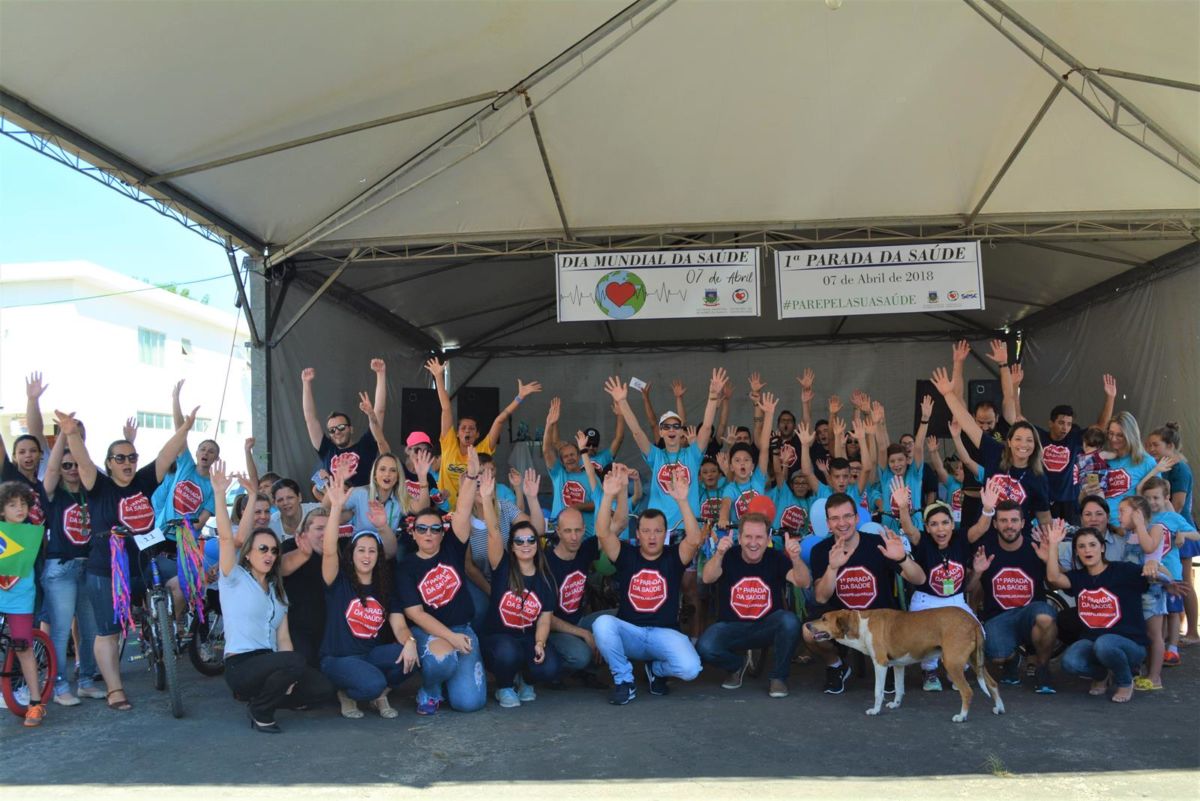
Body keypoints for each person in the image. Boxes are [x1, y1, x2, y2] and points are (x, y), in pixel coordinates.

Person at [56, 408, 194, 713]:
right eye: (120, 458)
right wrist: (71, 432)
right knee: (109, 631)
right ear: (109, 463)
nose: (128, 462)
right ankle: (115, 689)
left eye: (131, 457)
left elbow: (165, 454)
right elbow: (82, 460)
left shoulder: (143, 482)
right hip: (106, 571)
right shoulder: (99, 485)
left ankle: (162, 629)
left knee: (184, 579)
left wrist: (185, 427)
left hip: (145, 563)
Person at [211, 462, 332, 732]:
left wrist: (292, 674)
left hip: (271, 662)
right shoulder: (234, 578)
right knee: (295, 660)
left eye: (274, 551)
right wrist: (220, 495)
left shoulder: (278, 592)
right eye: (262, 549)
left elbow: (284, 639)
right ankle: (261, 709)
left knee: (323, 689)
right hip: (241, 665)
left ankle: (267, 696)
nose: (269, 555)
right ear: (250, 553)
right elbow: (226, 541)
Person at [593, 465, 706, 704]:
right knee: (602, 624)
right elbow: (603, 533)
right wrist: (608, 496)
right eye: (646, 531)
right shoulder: (627, 554)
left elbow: (694, 539)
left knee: (690, 669)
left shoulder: (673, 557)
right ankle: (624, 680)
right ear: (639, 533)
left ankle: (656, 671)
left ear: (665, 533)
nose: (652, 536)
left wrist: (683, 501)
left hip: (664, 634)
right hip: (631, 632)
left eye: (657, 531)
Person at [801, 493, 926, 694]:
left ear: (857, 518)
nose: (842, 523)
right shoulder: (820, 550)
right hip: (842, 620)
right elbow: (821, 597)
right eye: (835, 518)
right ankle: (836, 665)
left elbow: (919, 579)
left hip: (881, 621)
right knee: (808, 633)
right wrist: (832, 568)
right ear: (827, 523)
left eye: (847, 516)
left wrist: (902, 558)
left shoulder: (878, 543)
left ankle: (888, 664)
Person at [395, 452, 488, 715]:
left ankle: (453, 685)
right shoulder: (407, 567)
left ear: (442, 532)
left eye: (436, 529)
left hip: (463, 628)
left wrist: (470, 476)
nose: (429, 534)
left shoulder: (452, 549)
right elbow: (415, 614)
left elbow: (464, 510)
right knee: (442, 660)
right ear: (412, 534)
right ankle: (431, 689)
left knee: (469, 704)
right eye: (422, 529)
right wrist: (450, 637)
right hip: (432, 633)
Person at [318, 477, 417, 719]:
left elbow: (400, 625)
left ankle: (376, 690)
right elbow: (330, 548)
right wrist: (337, 507)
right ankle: (352, 691)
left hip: (368, 656)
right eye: (361, 550)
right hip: (337, 658)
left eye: (372, 551)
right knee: (372, 683)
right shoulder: (338, 581)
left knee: (413, 656)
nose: (367, 555)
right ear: (351, 555)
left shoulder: (384, 587)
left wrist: (410, 642)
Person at [1044, 522, 1171, 703]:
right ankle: (1102, 674)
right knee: (1070, 662)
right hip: (1094, 643)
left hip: (1130, 645)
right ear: (1077, 552)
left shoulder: (1123, 570)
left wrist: (1153, 564)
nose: (1087, 550)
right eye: (1081, 546)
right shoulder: (1079, 577)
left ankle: (1125, 682)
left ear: (1102, 548)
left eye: (1092, 545)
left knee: (1104, 644)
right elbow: (1053, 578)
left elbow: (1162, 575)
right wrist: (1053, 544)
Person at [697, 512, 809, 698]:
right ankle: (736, 665)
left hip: (765, 626)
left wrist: (796, 559)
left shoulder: (776, 558)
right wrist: (719, 554)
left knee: (790, 621)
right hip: (731, 626)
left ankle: (778, 677)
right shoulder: (729, 555)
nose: (753, 543)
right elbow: (708, 577)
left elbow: (803, 582)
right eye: (748, 536)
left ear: (768, 539)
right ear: (739, 538)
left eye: (759, 537)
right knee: (705, 646)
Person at [603, 369, 725, 535]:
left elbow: (706, 428)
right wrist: (623, 402)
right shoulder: (656, 455)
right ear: (661, 432)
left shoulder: (692, 455)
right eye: (666, 427)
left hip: (688, 528)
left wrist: (712, 396)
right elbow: (637, 432)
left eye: (676, 426)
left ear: (682, 432)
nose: (671, 430)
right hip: (658, 529)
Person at [931, 367, 1051, 532]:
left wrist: (1051, 546)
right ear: (1008, 442)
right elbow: (967, 423)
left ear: (1035, 445)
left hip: (1018, 539)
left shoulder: (1038, 477)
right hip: (986, 532)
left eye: (1029, 440)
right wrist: (948, 395)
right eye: (1018, 439)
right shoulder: (995, 452)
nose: (1023, 445)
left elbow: (1044, 518)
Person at [477, 472, 560, 708]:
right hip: (498, 639)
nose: (525, 545)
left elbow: (544, 621)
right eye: (519, 541)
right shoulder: (502, 566)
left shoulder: (545, 579)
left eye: (531, 540)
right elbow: (494, 532)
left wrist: (540, 643)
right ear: (511, 546)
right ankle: (504, 687)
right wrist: (486, 499)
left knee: (551, 666)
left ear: (537, 544)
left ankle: (526, 679)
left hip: (527, 639)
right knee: (508, 652)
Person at [966, 490, 1057, 693]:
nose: (1009, 525)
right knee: (996, 653)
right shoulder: (985, 549)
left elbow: (1055, 586)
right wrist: (978, 573)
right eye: (1004, 520)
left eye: (1014, 520)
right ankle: (1012, 658)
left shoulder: (1035, 547)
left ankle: (1043, 667)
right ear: (995, 524)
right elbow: (970, 589)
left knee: (1045, 618)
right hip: (999, 617)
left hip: (1031, 612)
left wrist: (1048, 559)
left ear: (1023, 524)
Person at [38, 428, 103, 705]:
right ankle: (58, 686)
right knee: (61, 630)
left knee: (89, 630)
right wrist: (64, 436)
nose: (72, 469)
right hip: (60, 569)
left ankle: (86, 681)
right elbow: (50, 469)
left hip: (88, 567)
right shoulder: (54, 494)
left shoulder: (92, 493)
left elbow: (92, 468)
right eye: (67, 465)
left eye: (76, 464)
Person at [893, 481, 977, 692]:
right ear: (927, 527)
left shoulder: (960, 540)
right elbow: (909, 529)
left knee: (975, 633)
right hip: (926, 600)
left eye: (944, 522)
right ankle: (929, 671)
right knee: (926, 639)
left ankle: (954, 668)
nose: (940, 528)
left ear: (951, 524)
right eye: (934, 524)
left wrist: (987, 509)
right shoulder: (922, 541)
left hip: (956, 600)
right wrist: (903, 508)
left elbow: (981, 528)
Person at [425, 356, 541, 508]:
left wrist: (519, 398)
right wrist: (439, 377)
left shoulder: (483, 450)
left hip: (473, 511)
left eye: (472, 428)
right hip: (445, 509)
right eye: (463, 428)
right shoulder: (448, 444)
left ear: (478, 434)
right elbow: (446, 408)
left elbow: (499, 420)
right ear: (457, 433)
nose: (467, 431)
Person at [545, 505, 618, 681]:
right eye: (568, 531)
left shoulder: (585, 549)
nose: (574, 537)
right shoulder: (546, 563)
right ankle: (550, 669)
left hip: (579, 621)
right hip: (552, 632)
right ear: (558, 531)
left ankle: (593, 667)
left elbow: (619, 523)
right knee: (581, 656)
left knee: (624, 617)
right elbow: (546, 619)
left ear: (584, 529)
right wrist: (585, 634)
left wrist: (616, 491)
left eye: (578, 530)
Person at [0, 481, 47, 726]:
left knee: (23, 647)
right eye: (12, 505)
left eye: (23, 504)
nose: (19, 509)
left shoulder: (30, 532)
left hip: (20, 598)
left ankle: (35, 702)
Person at [1146, 422, 1198, 645]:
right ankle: (1170, 633)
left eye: (1155, 445)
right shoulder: (1163, 468)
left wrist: (1167, 526)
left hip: (1180, 530)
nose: (1151, 449)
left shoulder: (1180, 469)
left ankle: (1192, 632)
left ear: (1170, 446)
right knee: (1168, 580)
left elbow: (1177, 503)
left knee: (1183, 580)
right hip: (1167, 531)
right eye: (1149, 445)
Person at [300, 360, 389, 488]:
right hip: (335, 504)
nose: (337, 432)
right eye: (332, 430)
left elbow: (379, 412)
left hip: (362, 503)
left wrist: (380, 374)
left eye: (341, 427)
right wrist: (306, 383)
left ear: (351, 429)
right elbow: (310, 419)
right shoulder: (327, 449)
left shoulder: (366, 445)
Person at [1144, 477, 1197, 667]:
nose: (1152, 502)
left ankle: (1173, 648)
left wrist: (1182, 534)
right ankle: (1158, 646)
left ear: (1166, 498)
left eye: (1156, 498)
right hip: (1152, 573)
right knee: (1158, 612)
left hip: (1172, 573)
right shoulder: (1144, 517)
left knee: (1173, 612)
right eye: (1148, 498)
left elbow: (1196, 534)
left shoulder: (1173, 518)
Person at [278, 507, 333, 667]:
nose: (325, 533)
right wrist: (303, 554)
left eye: (329, 528)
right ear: (305, 532)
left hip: (329, 629)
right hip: (296, 628)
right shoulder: (291, 545)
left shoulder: (338, 551)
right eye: (319, 528)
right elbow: (280, 568)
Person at [717, 393, 777, 530]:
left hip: (762, 534)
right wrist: (723, 518)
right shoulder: (730, 489)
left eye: (746, 460)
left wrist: (769, 415)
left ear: (753, 465)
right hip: (740, 537)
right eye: (737, 461)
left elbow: (764, 448)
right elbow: (725, 504)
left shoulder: (758, 479)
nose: (742, 463)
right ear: (731, 467)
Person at [0, 373, 51, 525]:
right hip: (13, 544)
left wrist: (34, 400)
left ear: (41, 455)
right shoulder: (10, 474)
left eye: (33, 451)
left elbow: (37, 432)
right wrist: (31, 400)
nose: (28, 455)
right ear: (14, 456)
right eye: (21, 452)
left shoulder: (44, 484)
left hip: (40, 546)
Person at [543, 397, 596, 535]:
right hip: (559, 531)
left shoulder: (590, 476)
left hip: (586, 534)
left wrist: (578, 507)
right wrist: (549, 424)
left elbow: (599, 503)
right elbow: (547, 450)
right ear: (561, 461)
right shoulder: (558, 474)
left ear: (579, 456)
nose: (570, 459)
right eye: (565, 457)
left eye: (572, 455)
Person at [1100, 412, 1157, 518]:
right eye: (1111, 433)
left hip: (1129, 528)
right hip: (1102, 525)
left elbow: (1157, 499)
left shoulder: (1146, 462)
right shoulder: (1103, 458)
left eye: (1120, 435)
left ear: (1130, 435)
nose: (1113, 439)